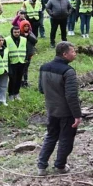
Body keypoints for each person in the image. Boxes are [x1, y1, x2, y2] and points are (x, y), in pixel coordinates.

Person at [37, 42, 82, 176]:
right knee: (66, 139)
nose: (75, 54)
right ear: (65, 54)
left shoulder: (44, 67)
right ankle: (60, 166)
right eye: (73, 51)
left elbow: (41, 89)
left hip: (51, 109)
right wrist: (77, 115)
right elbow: (71, 96)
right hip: (66, 112)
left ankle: (41, 165)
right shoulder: (69, 71)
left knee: (51, 136)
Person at [6, 26, 27, 100]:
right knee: (12, 79)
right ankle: (11, 94)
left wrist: (26, 59)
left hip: (21, 61)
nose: (16, 34)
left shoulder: (24, 39)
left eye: (18, 32)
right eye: (15, 32)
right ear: (12, 32)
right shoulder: (7, 40)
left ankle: (17, 93)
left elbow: (27, 49)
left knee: (19, 78)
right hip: (12, 62)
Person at [20, 20, 38, 87]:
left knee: (26, 68)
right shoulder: (19, 34)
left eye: (27, 26)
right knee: (21, 68)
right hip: (21, 54)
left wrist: (28, 36)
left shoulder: (30, 33)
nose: (26, 28)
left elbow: (35, 41)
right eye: (25, 26)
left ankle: (25, 81)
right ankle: (21, 81)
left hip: (29, 54)